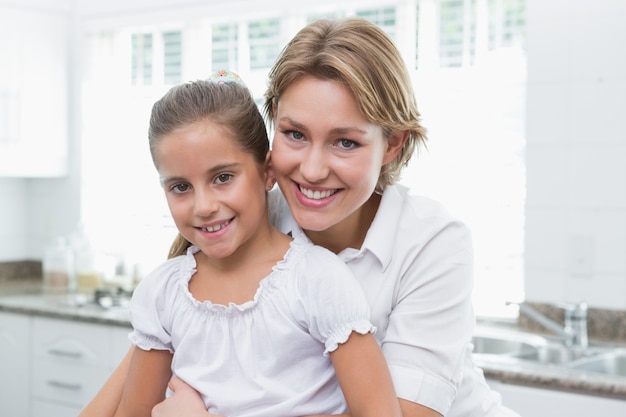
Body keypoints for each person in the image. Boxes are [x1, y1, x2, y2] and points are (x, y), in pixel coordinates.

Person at [81, 18, 520, 417]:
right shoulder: (247, 220)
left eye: (344, 142)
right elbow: (149, 355)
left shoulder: (432, 241)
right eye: (294, 134)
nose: (311, 170)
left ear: (392, 145)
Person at [103, 71, 401, 417]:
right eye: (180, 187)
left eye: (223, 178)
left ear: (267, 171)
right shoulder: (162, 293)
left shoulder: (318, 281)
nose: (203, 206)